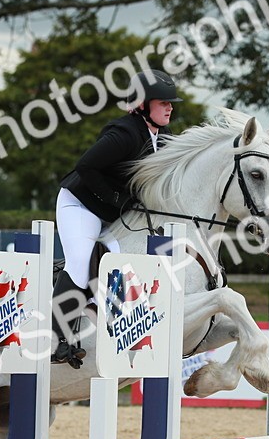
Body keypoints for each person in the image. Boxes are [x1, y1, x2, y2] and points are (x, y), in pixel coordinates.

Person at [50, 69, 182, 367]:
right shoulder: (124, 134)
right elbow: (85, 167)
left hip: (112, 212)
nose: (170, 106)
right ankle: (59, 340)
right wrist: (118, 200)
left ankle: (106, 323)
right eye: (163, 102)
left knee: (122, 263)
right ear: (142, 105)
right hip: (81, 206)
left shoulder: (164, 137)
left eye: (170, 102)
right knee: (82, 265)